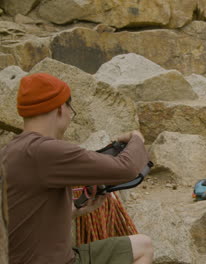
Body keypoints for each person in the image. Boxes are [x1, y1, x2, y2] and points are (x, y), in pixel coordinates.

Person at [0, 73, 154, 264]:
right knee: (144, 247)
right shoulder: (45, 150)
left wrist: (76, 210)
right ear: (60, 108)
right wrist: (136, 138)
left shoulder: (10, 151)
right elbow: (126, 168)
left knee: (141, 245)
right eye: (70, 110)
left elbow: (26, 219)